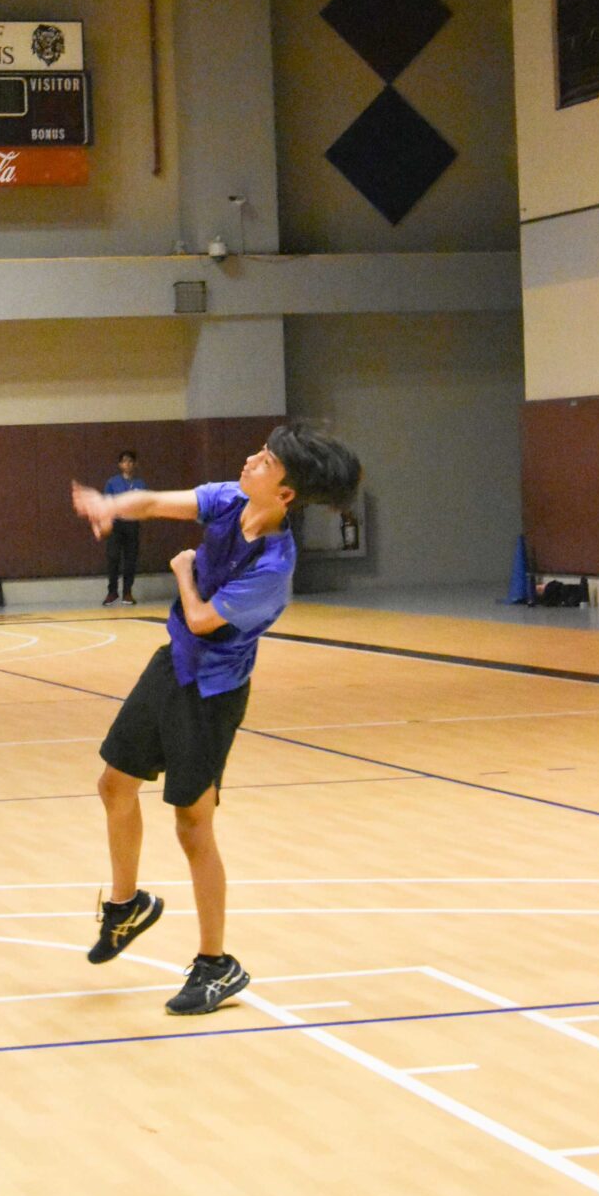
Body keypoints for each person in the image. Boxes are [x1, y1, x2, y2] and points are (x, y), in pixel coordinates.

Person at [71, 421, 361, 1016]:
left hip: (213, 690)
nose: (252, 459)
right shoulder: (230, 498)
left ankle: (216, 964)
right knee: (114, 784)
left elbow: (205, 619)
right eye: (260, 452)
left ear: (285, 493)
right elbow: (155, 501)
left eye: (267, 461)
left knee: (192, 825)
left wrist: (182, 572)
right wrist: (110, 505)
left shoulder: (274, 566)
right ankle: (126, 906)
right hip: (173, 663)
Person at [102, 449, 146, 606]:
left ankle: (127, 592)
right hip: (116, 524)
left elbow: (145, 504)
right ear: (120, 465)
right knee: (113, 557)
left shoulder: (140, 484)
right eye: (124, 461)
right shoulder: (112, 482)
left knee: (130, 559)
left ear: (135, 464)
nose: (127, 464)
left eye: (130, 461)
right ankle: (112, 592)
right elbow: (106, 502)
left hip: (132, 524)